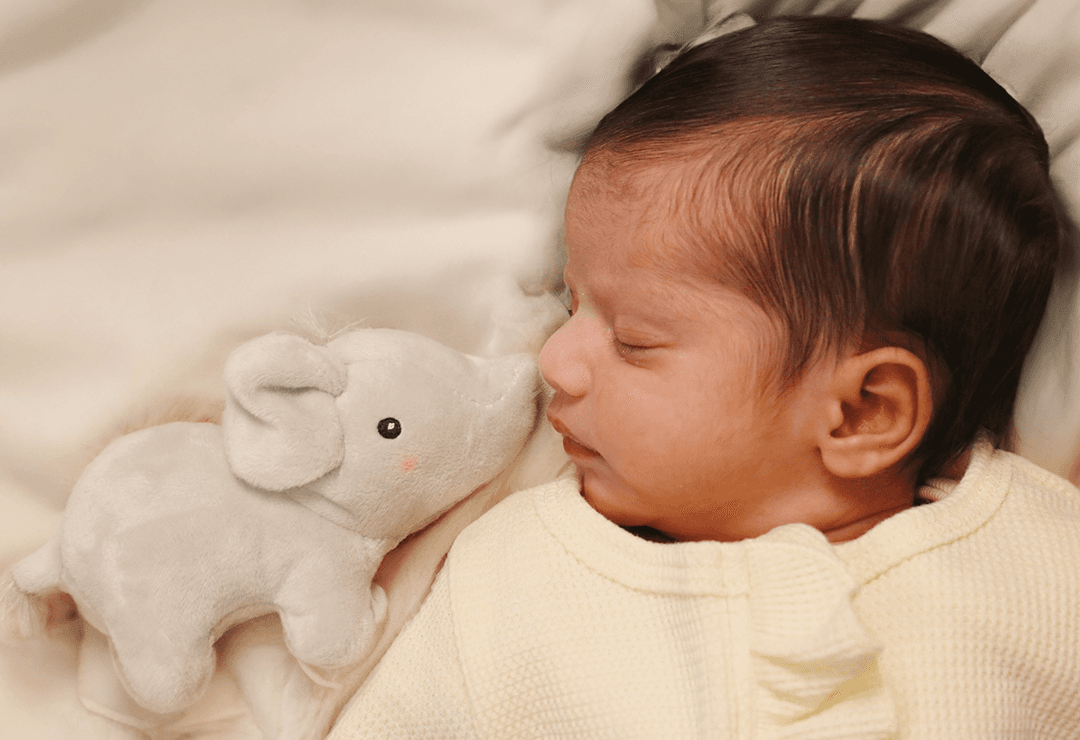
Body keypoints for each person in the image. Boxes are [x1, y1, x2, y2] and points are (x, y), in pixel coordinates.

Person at [329, 15, 1080, 738]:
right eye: (570, 303)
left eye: (634, 340)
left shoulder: (1048, 575)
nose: (554, 360)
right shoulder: (507, 587)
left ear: (860, 412)